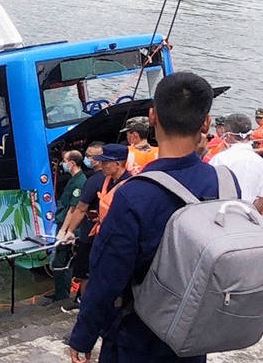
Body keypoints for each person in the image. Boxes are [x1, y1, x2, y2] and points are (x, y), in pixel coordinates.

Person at [68, 72, 240, 363]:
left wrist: (83, 335)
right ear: (206, 123)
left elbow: (107, 277)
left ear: (152, 117)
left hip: (137, 339)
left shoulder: (133, 194)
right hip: (193, 337)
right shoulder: (225, 182)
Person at [56, 142, 104, 311]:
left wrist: (67, 231)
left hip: (89, 231)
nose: (87, 159)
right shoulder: (90, 180)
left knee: (81, 268)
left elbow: (77, 208)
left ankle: (80, 301)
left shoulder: (86, 181)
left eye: (90, 156)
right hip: (89, 229)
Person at [44, 151, 87, 306]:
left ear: (72, 163)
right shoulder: (73, 180)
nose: (62, 164)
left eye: (64, 161)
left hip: (68, 227)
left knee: (62, 262)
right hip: (62, 223)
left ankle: (62, 296)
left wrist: (64, 231)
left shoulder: (80, 182)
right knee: (58, 260)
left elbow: (73, 209)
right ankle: (59, 291)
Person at [209, 113, 263, 212]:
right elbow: (261, 200)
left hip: (222, 212)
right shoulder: (260, 162)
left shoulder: (219, 159)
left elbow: (209, 190)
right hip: (250, 215)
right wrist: (249, 214)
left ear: (228, 135)